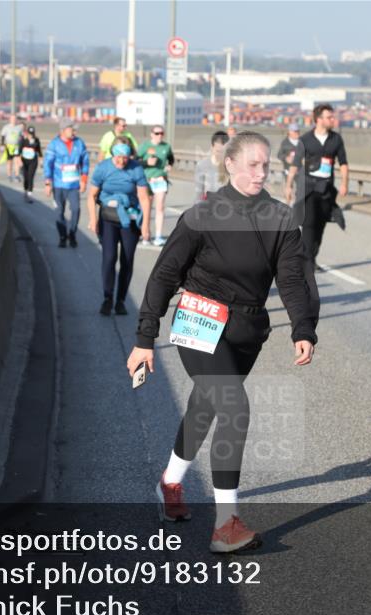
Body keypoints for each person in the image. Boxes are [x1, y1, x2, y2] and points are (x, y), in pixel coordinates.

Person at [126, 131, 318, 554]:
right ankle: (225, 523)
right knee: (233, 404)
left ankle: (170, 483)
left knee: (206, 404)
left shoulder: (281, 217)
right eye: (252, 164)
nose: (261, 172)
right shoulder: (202, 215)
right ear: (229, 165)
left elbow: (293, 279)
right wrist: (145, 338)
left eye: (266, 165)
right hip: (199, 320)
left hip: (246, 328)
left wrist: (304, 328)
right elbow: (163, 275)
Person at [86, 138, 151, 315]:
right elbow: (91, 196)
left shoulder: (135, 168)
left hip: (130, 218)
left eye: (125, 157)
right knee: (109, 258)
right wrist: (93, 219)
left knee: (127, 260)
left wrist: (145, 224)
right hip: (108, 217)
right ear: (112, 154)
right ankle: (107, 298)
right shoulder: (103, 168)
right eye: (118, 158)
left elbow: (144, 198)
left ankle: (120, 301)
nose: (122, 161)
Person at [285, 103, 349, 274]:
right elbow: (295, 164)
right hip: (308, 188)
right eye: (329, 117)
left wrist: (344, 183)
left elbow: (343, 162)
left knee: (320, 226)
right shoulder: (305, 140)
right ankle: (306, 262)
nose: (333, 120)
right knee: (309, 224)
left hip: (326, 189)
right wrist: (289, 185)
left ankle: (311, 258)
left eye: (332, 117)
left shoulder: (336, 139)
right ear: (319, 120)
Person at [43, 119, 90, 247]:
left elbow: (85, 161)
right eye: (71, 129)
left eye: (74, 129)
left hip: (74, 185)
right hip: (59, 185)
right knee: (59, 212)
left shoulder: (79, 143)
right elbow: (48, 164)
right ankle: (62, 236)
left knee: (76, 209)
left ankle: (72, 233)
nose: (74, 131)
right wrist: (48, 183)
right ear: (63, 130)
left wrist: (84, 179)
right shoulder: (54, 144)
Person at [137, 125, 176, 246]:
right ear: (151, 134)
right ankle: (145, 234)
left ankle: (158, 236)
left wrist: (169, 166)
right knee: (146, 208)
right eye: (157, 133)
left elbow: (171, 158)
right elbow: (135, 161)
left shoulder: (166, 146)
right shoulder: (145, 146)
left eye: (161, 133)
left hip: (160, 180)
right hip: (147, 181)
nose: (159, 136)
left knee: (160, 208)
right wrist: (146, 163)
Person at [193, 131, 229, 203]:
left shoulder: (230, 166)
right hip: (209, 208)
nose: (220, 154)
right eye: (218, 151)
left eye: (223, 151)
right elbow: (199, 194)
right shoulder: (202, 165)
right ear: (212, 147)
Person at [17, 126, 42, 203]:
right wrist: (19, 161)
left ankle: (30, 194)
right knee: (26, 177)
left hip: (33, 161)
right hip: (24, 161)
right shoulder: (23, 140)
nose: (31, 135)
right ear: (27, 133)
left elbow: (39, 151)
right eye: (30, 134)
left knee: (31, 177)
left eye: (32, 134)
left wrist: (41, 161)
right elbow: (19, 151)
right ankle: (25, 191)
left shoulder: (36, 140)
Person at [277, 123, 300, 205]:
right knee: (289, 187)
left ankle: (298, 205)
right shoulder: (285, 143)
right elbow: (279, 155)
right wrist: (286, 158)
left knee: (300, 189)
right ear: (290, 132)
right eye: (295, 131)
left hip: (299, 170)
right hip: (288, 170)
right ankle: (287, 203)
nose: (297, 133)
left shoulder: (302, 141)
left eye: (298, 131)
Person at [0, 114, 25, 182]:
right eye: (12, 119)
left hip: (16, 146)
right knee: (9, 161)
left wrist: (23, 145)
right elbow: (3, 136)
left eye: (15, 119)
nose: (14, 120)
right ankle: (9, 175)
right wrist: (2, 145)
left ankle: (17, 175)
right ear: (10, 120)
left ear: (16, 120)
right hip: (9, 146)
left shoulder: (19, 127)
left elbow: (22, 137)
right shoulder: (6, 127)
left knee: (16, 161)